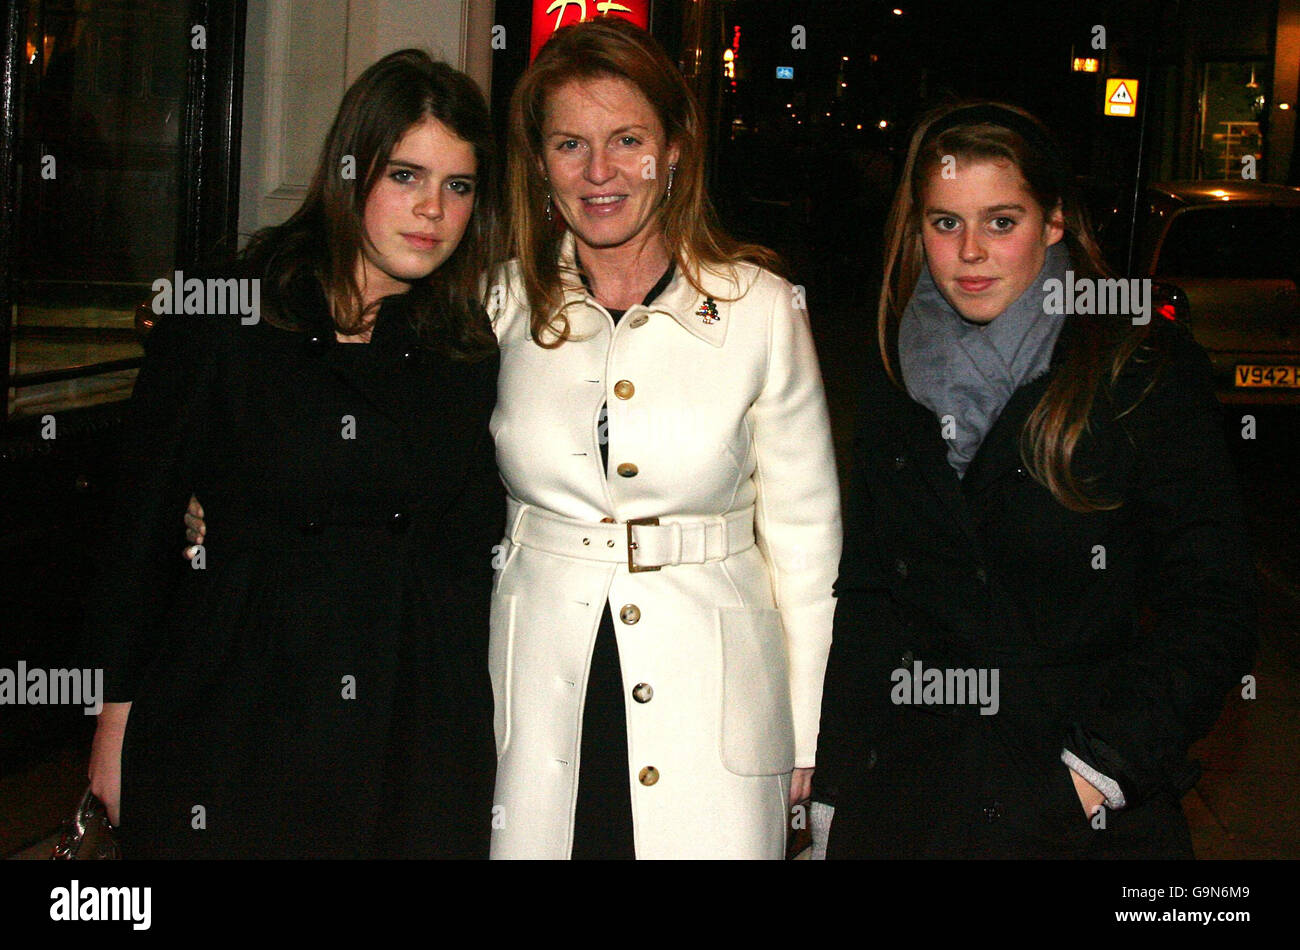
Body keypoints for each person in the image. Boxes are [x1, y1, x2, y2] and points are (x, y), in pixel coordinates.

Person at [85, 49, 504, 858]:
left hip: (403, 721)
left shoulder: (466, 346)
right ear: (350, 174)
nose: (432, 211)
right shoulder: (229, 310)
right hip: (236, 708)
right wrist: (114, 723)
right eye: (406, 176)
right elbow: (133, 533)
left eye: (457, 186)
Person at [814, 101, 1256, 859]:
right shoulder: (893, 368)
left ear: (1054, 222)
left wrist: (1094, 772)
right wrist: (835, 793)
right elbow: (868, 597)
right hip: (909, 797)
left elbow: (1213, 605)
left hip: (1070, 809)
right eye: (945, 222)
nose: (971, 252)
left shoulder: (1136, 366)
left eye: (1002, 221)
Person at [485, 17, 841, 859]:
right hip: (540, 697)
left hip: (717, 702)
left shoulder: (761, 308)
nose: (599, 172)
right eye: (570, 144)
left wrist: (808, 729)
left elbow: (806, 539)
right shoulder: (495, 306)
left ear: (674, 151)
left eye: (627, 140)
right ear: (539, 164)